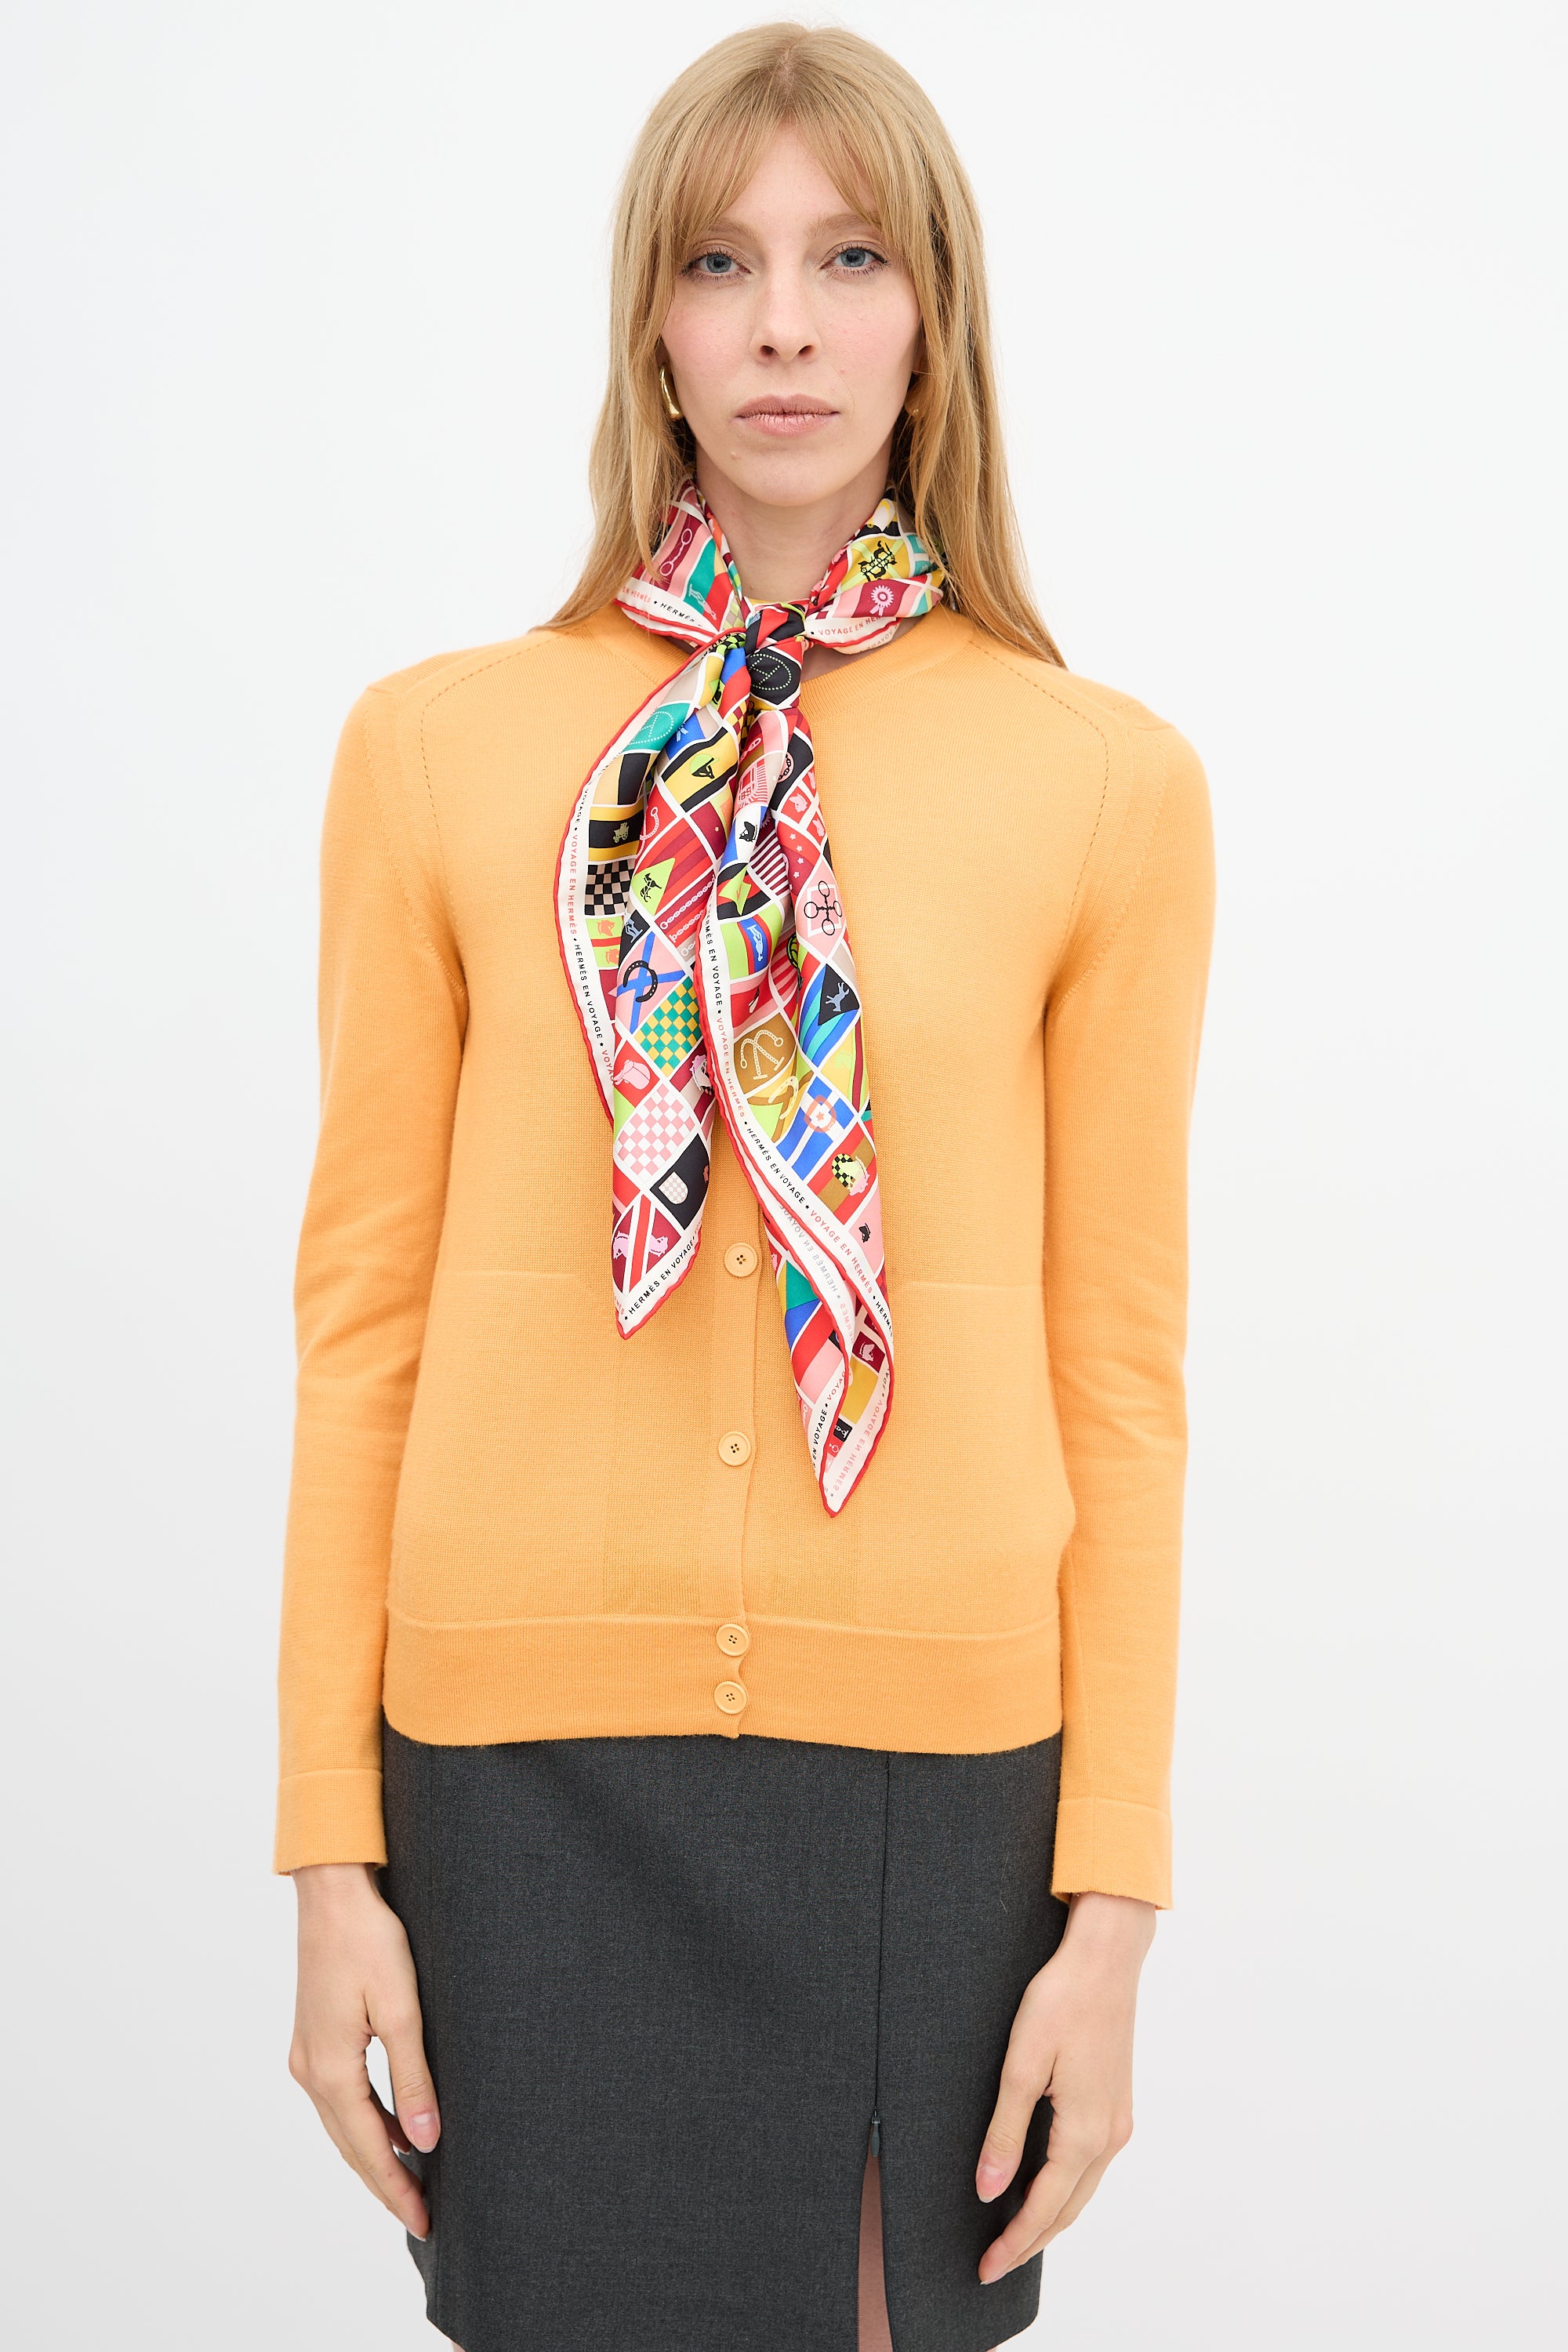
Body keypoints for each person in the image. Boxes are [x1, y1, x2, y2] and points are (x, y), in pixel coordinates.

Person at [277, 23, 1214, 2352]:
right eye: (721, 262)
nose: (784, 324)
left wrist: (1111, 1910)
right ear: (653, 323)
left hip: (935, 1775)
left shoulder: (1105, 783)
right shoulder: (433, 749)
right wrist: (329, 1856)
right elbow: (362, 1321)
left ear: (934, 314)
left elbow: (1119, 1374)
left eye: (849, 258)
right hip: (515, 1776)